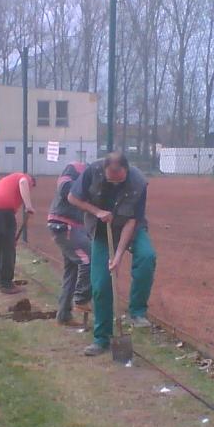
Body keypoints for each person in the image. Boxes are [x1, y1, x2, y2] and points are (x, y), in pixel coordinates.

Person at [68, 152, 157, 356]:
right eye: (111, 179)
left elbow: (132, 221)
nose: (115, 183)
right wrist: (97, 211)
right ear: (104, 170)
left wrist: (117, 257)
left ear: (127, 169)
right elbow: (72, 197)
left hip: (131, 228)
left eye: (120, 179)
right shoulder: (92, 171)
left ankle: (137, 311)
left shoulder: (139, 182)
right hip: (102, 232)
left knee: (147, 257)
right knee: (101, 284)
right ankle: (101, 339)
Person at [47, 162, 92, 326]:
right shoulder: (75, 170)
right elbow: (64, 187)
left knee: (71, 271)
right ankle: (81, 298)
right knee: (89, 259)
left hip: (72, 227)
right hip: (64, 225)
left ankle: (64, 315)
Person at [0, 172, 35, 295]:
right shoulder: (25, 178)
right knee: (7, 248)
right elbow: (23, 182)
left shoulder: (10, 179)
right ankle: (6, 284)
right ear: (32, 182)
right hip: (2, 210)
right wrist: (28, 206)